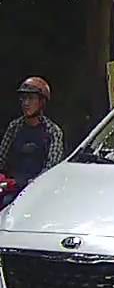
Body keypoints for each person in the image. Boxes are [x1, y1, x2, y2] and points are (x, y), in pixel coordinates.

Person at [0, 77, 64, 206]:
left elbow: (51, 168)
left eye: (31, 98)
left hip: (39, 191)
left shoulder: (52, 131)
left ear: (42, 102)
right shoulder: (14, 127)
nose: (26, 103)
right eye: (23, 98)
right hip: (11, 188)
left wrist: (29, 183)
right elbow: (1, 158)